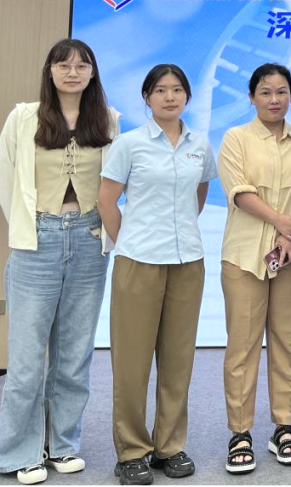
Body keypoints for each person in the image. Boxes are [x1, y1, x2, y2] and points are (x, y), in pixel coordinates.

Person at [0, 39, 120, 485]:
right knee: (27, 359)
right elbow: (5, 177)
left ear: (92, 73)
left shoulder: (108, 119)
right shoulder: (23, 117)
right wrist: (28, 230)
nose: (72, 72)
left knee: (74, 356)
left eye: (82, 65)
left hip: (88, 240)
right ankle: (19, 452)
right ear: (50, 70)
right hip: (38, 240)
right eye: (63, 65)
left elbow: (114, 184)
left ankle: (61, 444)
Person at [97, 64, 218, 487]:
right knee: (132, 362)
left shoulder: (199, 144)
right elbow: (106, 200)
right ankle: (132, 451)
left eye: (178, 90)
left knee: (178, 360)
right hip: (138, 261)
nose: (170, 97)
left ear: (187, 96)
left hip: (188, 262)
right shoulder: (129, 144)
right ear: (147, 97)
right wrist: (129, 240)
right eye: (161, 90)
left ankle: (169, 446)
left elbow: (200, 193)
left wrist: (177, 229)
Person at [217, 64, 291, 474]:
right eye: (266, 92)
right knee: (242, 344)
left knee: (286, 341)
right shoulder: (235, 138)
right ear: (252, 96)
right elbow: (239, 192)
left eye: (282, 91)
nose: (275, 99)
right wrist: (281, 223)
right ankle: (240, 432)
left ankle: (283, 426)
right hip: (244, 254)